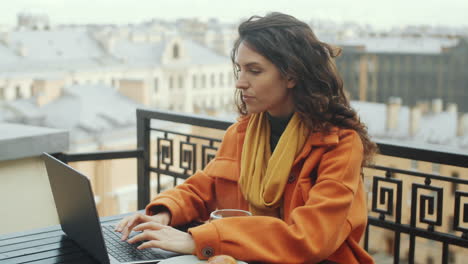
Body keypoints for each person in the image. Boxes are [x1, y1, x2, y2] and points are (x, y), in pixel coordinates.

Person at [116, 12, 377, 264]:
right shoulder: (242, 133)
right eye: (240, 69)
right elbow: (203, 188)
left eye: (254, 70)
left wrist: (197, 241)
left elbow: (311, 239)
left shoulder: (339, 145)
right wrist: (164, 213)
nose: (240, 82)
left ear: (291, 75)